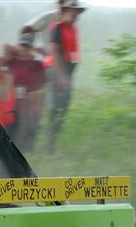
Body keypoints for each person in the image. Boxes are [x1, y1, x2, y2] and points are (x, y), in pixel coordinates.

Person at [48, 0, 85, 151]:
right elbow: (55, 54)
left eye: (76, 11)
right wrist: (62, 77)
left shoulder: (73, 29)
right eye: (71, 10)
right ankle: (49, 145)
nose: (74, 14)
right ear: (65, 11)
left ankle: (54, 140)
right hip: (57, 73)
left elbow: (74, 53)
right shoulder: (57, 28)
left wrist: (69, 74)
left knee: (63, 108)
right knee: (56, 108)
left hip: (68, 73)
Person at [3, 27, 47, 151]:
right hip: (11, 107)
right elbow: (3, 54)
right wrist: (14, 49)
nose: (24, 49)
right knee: (10, 136)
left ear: (31, 47)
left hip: (29, 108)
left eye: (27, 46)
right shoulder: (12, 60)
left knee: (25, 141)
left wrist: (33, 95)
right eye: (22, 46)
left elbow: (43, 88)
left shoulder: (37, 65)